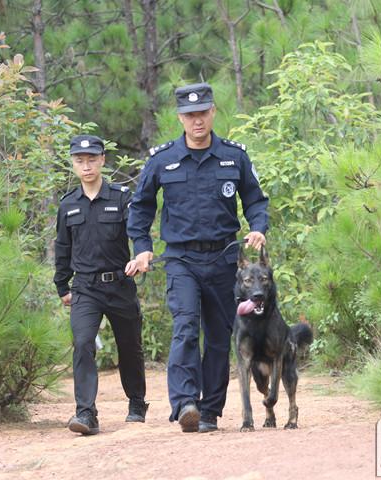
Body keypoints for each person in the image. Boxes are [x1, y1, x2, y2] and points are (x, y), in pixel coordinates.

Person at [125, 83, 269, 433]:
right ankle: (185, 402)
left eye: (203, 112)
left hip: (223, 259)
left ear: (213, 112)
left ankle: (209, 411)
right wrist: (142, 247)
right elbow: (140, 209)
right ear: (180, 118)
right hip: (181, 260)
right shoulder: (163, 160)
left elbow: (255, 199)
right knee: (186, 327)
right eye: (190, 115)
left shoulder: (234, 156)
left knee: (220, 336)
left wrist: (258, 227)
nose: (197, 120)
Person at [54, 134, 148, 436]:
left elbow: (137, 230)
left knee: (129, 347)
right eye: (80, 161)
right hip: (85, 289)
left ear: (102, 160)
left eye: (92, 159)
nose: (86, 166)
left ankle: (136, 402)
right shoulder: (67, 205)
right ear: (73, 164)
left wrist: (140, 255)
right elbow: (62, 248)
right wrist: (62, 287)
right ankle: (86, 412)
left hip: (120, 285)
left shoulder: (121, 197)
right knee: (82, 344)